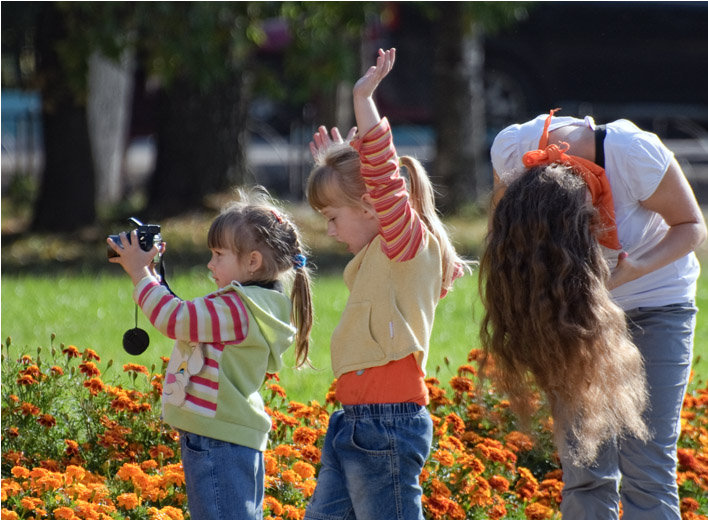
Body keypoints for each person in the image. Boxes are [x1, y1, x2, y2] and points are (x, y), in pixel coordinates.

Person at [482, 109, 707, 520]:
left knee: (649, 467)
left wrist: (635, 267)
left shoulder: (632, 154)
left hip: (656, 302)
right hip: (573, 310)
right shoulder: (512, 151)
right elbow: (507, 234)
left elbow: (692, 226)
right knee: (585, 468)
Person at [302, 48, 472, 520]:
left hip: (387, 423)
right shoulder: (385, 253)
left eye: (333, 217)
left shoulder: (405, 244)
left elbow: (381, 174)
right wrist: (336, 163)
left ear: (373, 205)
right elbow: (369, 176)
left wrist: (363, 99)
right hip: (354, 421)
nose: (331, 230)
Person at [107, 186, 313, 520]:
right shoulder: (253, 304)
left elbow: (175, 319)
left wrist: (139, 275)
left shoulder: (239, 309)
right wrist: (154, 276)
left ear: (252, 261)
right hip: (226, 434)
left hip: (218, 438)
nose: (209, 263)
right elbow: (189, 316)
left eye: (218, 254)